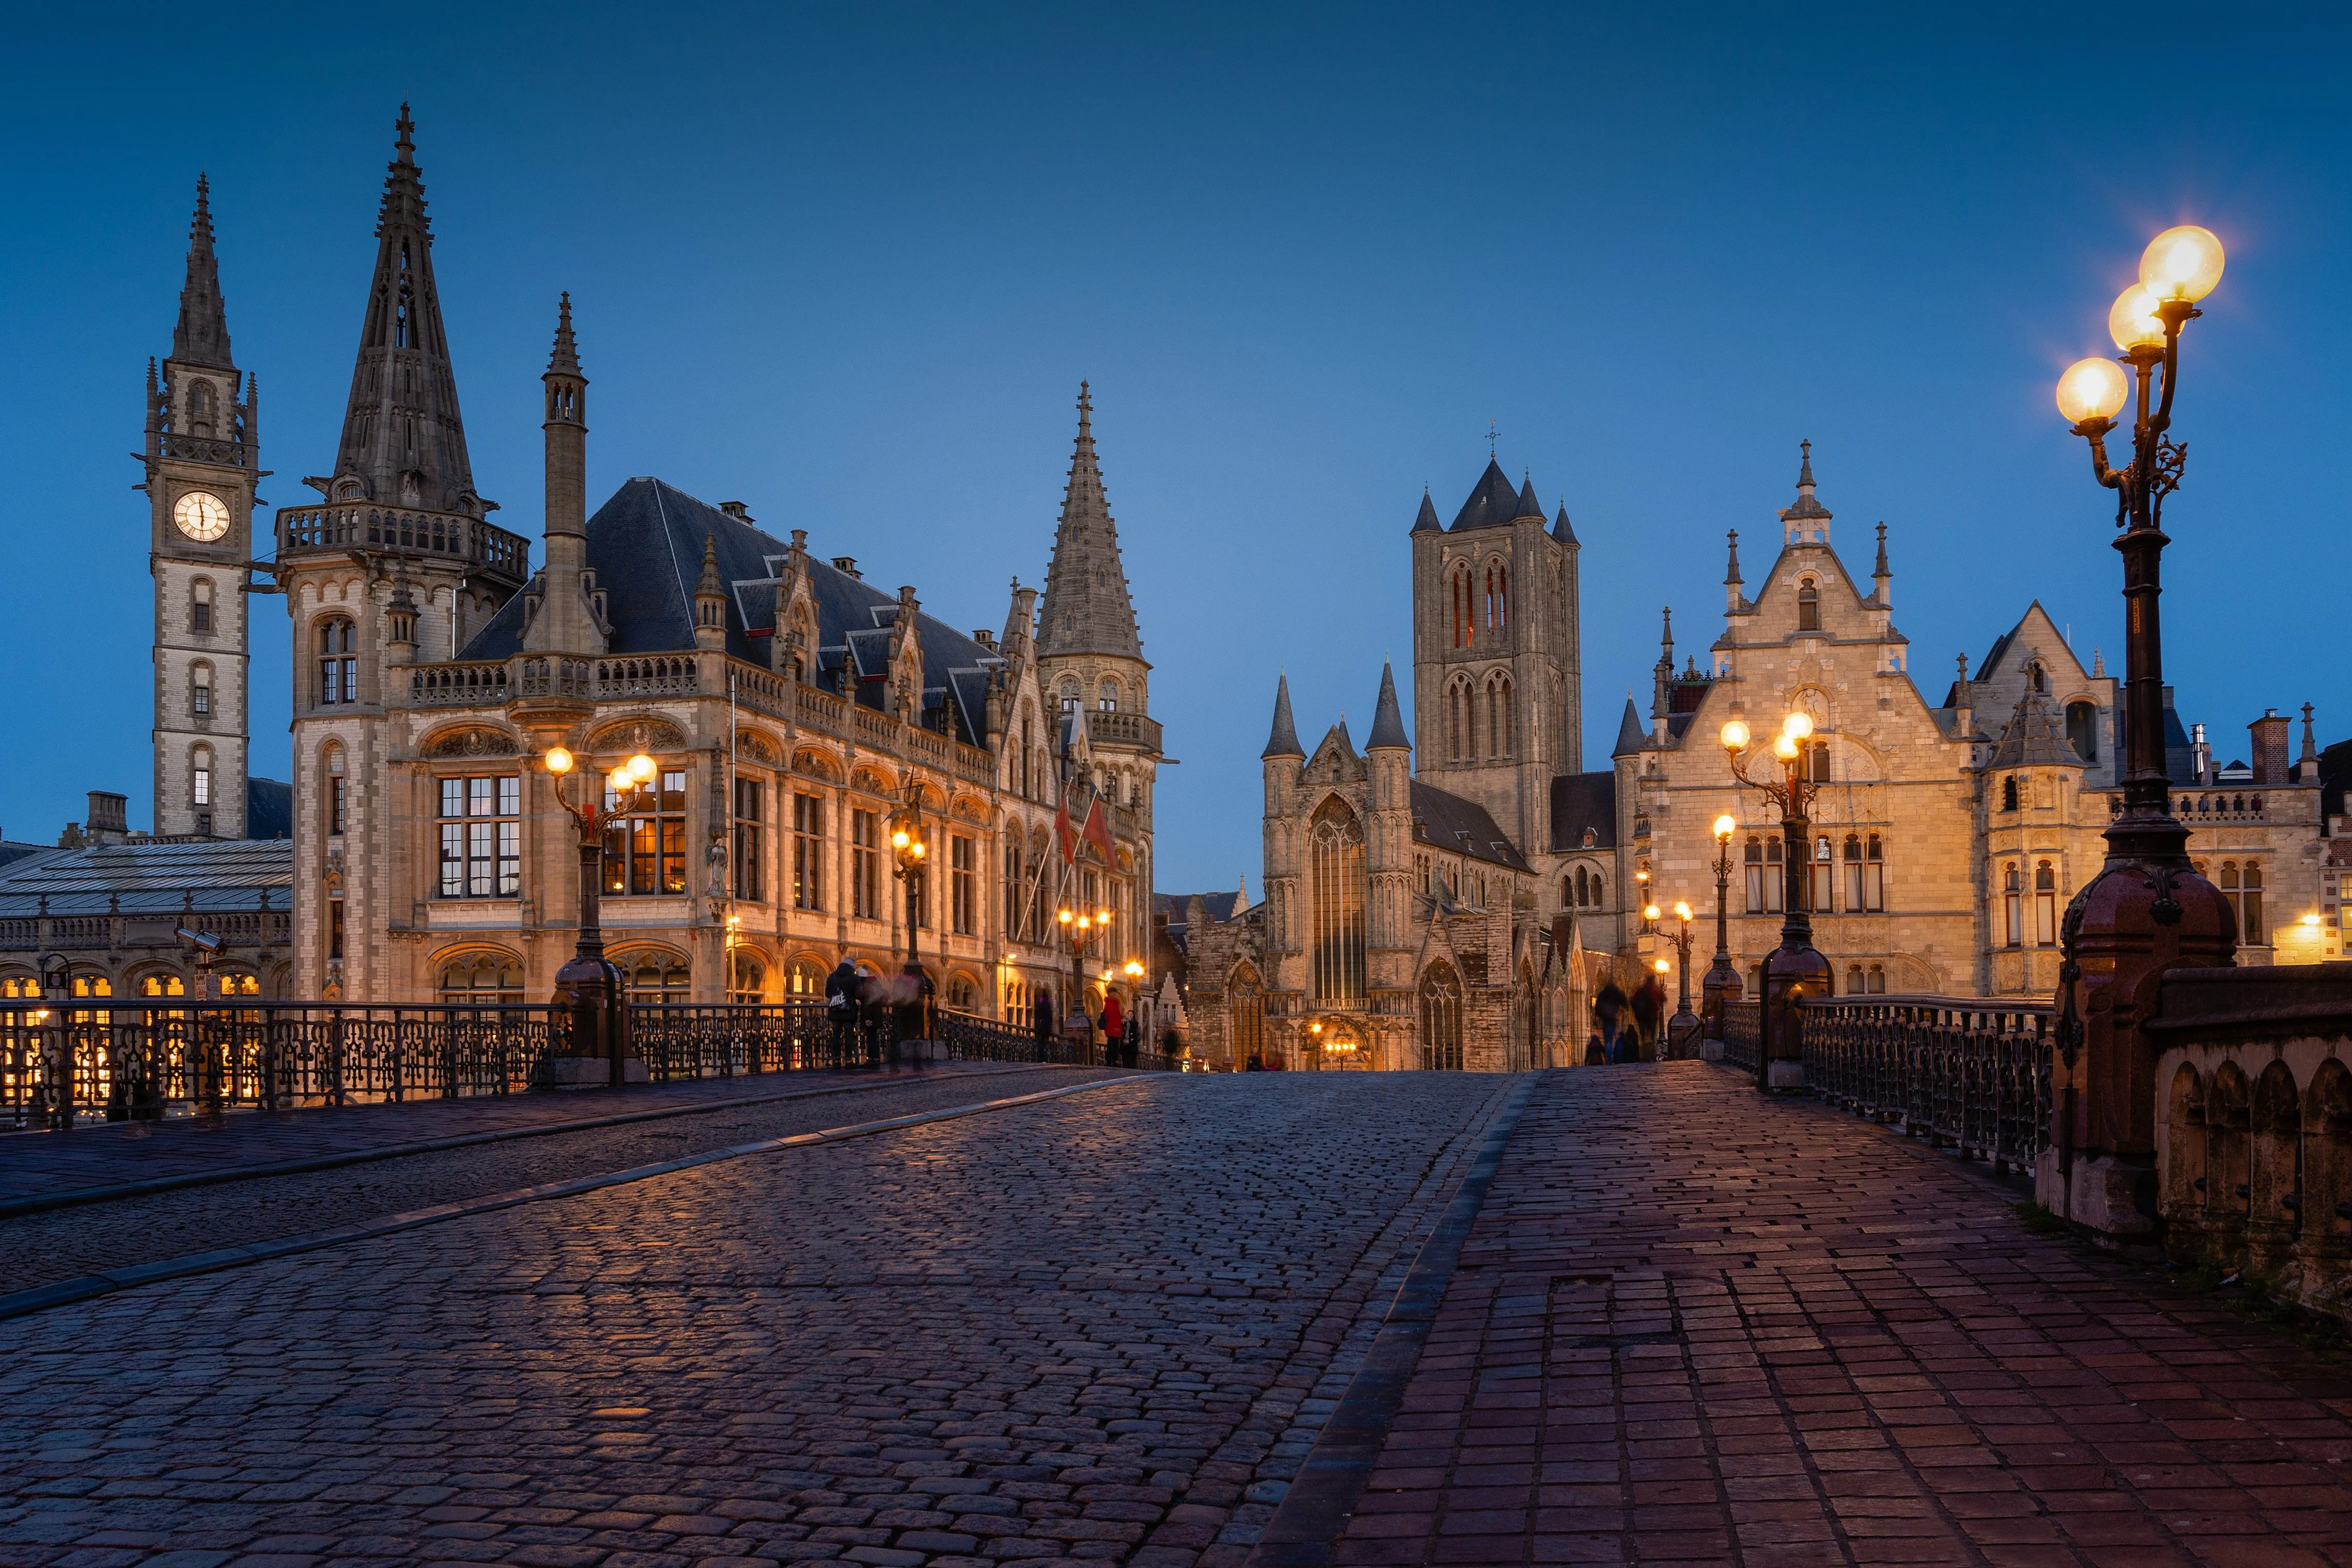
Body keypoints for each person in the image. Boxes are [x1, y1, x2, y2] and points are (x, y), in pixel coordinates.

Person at [824, 956, 861, 1069]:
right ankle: (849, 1061)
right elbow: (859, 995)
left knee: (836, 1035)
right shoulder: (855, 978)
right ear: (852, 967)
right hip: (848, 1010)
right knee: (849, 1035)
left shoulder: (832, 977)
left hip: (835, 1010)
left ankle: (836, 1061)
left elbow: (827, 994)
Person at [1631, 971, 1667, 1061]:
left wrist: (1637, 1012)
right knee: (1652, 1036)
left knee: (1643, 1036)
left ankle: (1644, 1055)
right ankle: (1651, 1054)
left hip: (1641, 1017)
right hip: (1653, 1016)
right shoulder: (1655, 989)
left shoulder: (1641, 989)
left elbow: (1632, 1000)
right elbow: (1664, 999)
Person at [1592, 980, 1628, 1064]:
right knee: (1618, 1039)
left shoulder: (1603, 994)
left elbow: (1598, 1006)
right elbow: (1624, 1001)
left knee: (1608, 1040)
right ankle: (1618, 1058)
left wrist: (1597, 1017)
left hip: (1606, 1019)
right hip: (1614, 1018)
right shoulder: (1616, 993)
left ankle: (1609, 1058)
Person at [1101, 991, 1125, 1065]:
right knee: (1113, 1044)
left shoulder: (1112, 1003)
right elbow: (1112, 1016)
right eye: (1115, 994)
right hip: (1114, 1028)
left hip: (1113, 1028)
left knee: (1112, 1044)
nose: (1116, 995)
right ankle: (1112, 1060)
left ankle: (1111, 1060)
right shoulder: (1112, 1004)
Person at [1032, 988, 1056, 1059]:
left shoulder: (1043, 1004)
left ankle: (1042, 1057)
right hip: (1047, 1027)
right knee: (1046, 1043)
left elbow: (1039, 1015)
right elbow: (1050, 1017)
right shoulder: (1048, 1004)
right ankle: (1046, 1057)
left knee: (1042, 1043)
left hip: (1043, 1027)